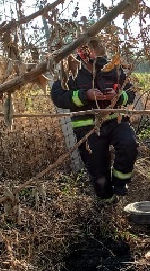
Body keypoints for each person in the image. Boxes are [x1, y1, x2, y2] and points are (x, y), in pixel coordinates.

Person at [51, 39, 138, 203]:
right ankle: (106, 202)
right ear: (81, 53)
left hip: (115, 121)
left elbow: (130, 92)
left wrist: (118, 97)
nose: (95, 54)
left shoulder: (112, 69)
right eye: (90, 50)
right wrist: (85, 95)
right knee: (97, 168)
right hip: (87, 128)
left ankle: (120, 183)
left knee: (129, 144)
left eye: (97, 49)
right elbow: (58, 97)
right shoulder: (69, 72)